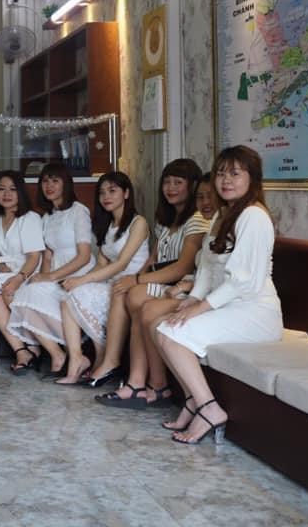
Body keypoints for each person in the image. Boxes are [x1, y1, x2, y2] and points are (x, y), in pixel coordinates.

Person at [156, 145, 282, 444]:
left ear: (252, 178)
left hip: (254, 312)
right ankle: (193, 401)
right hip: (228, 306)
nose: (226, 180)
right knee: (160, 325)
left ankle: (209, 409)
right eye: (221, 173)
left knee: (169, 333)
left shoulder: (254, 216)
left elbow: (242, 282)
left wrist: (199, 308)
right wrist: (192, 299)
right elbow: (207, 268)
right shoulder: (223, 214)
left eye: (235, 174)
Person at [94, 160, 210, 406]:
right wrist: (134, 279)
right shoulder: (166, 220)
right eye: (167, 182)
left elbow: (183, 267)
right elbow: (153, 258)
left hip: (185, 285)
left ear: (192, 186)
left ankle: (146, 383)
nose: (171, 188)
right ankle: (134, 378)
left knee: (136, 296)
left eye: (178, 182)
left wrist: (137, 279)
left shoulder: (197, 220)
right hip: (166, 281)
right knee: (127, 291)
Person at [57, 172, 149, 384]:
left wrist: (81, 281)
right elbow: (101, 264)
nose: (106, 197)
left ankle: (101, 359)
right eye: (102, 193)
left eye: (112, 191)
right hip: (111, 283)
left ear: (126, 193)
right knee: (67, 296)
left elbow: (121, 264)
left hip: (129, 284)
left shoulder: (138, 223)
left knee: (78, 291)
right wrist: (76, 281)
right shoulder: (107, 225)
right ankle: (77, 360)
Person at [8, 163, 94, 376]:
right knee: (26, 292)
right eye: (45, 181)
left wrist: (50, 276)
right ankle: (58, 354)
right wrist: (41, 277)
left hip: (80, 275)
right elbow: (47, 255)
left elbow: (84, 256)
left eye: (55, 180)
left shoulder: (78, 211)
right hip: (56, 276)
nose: (49, 185)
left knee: (33, 291)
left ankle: (77, 351)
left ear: (66, 184)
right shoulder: (47, 217)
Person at [0, 171, 45, 373]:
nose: (6, 194)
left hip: (27, 272)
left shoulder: (30, 218)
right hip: (2, 273)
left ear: (21, 192)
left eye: (12, 189)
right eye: (1, 189)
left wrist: (19, 278)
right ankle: (21, 350)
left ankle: (35, 345)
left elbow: (34, 257)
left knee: (5, 291)